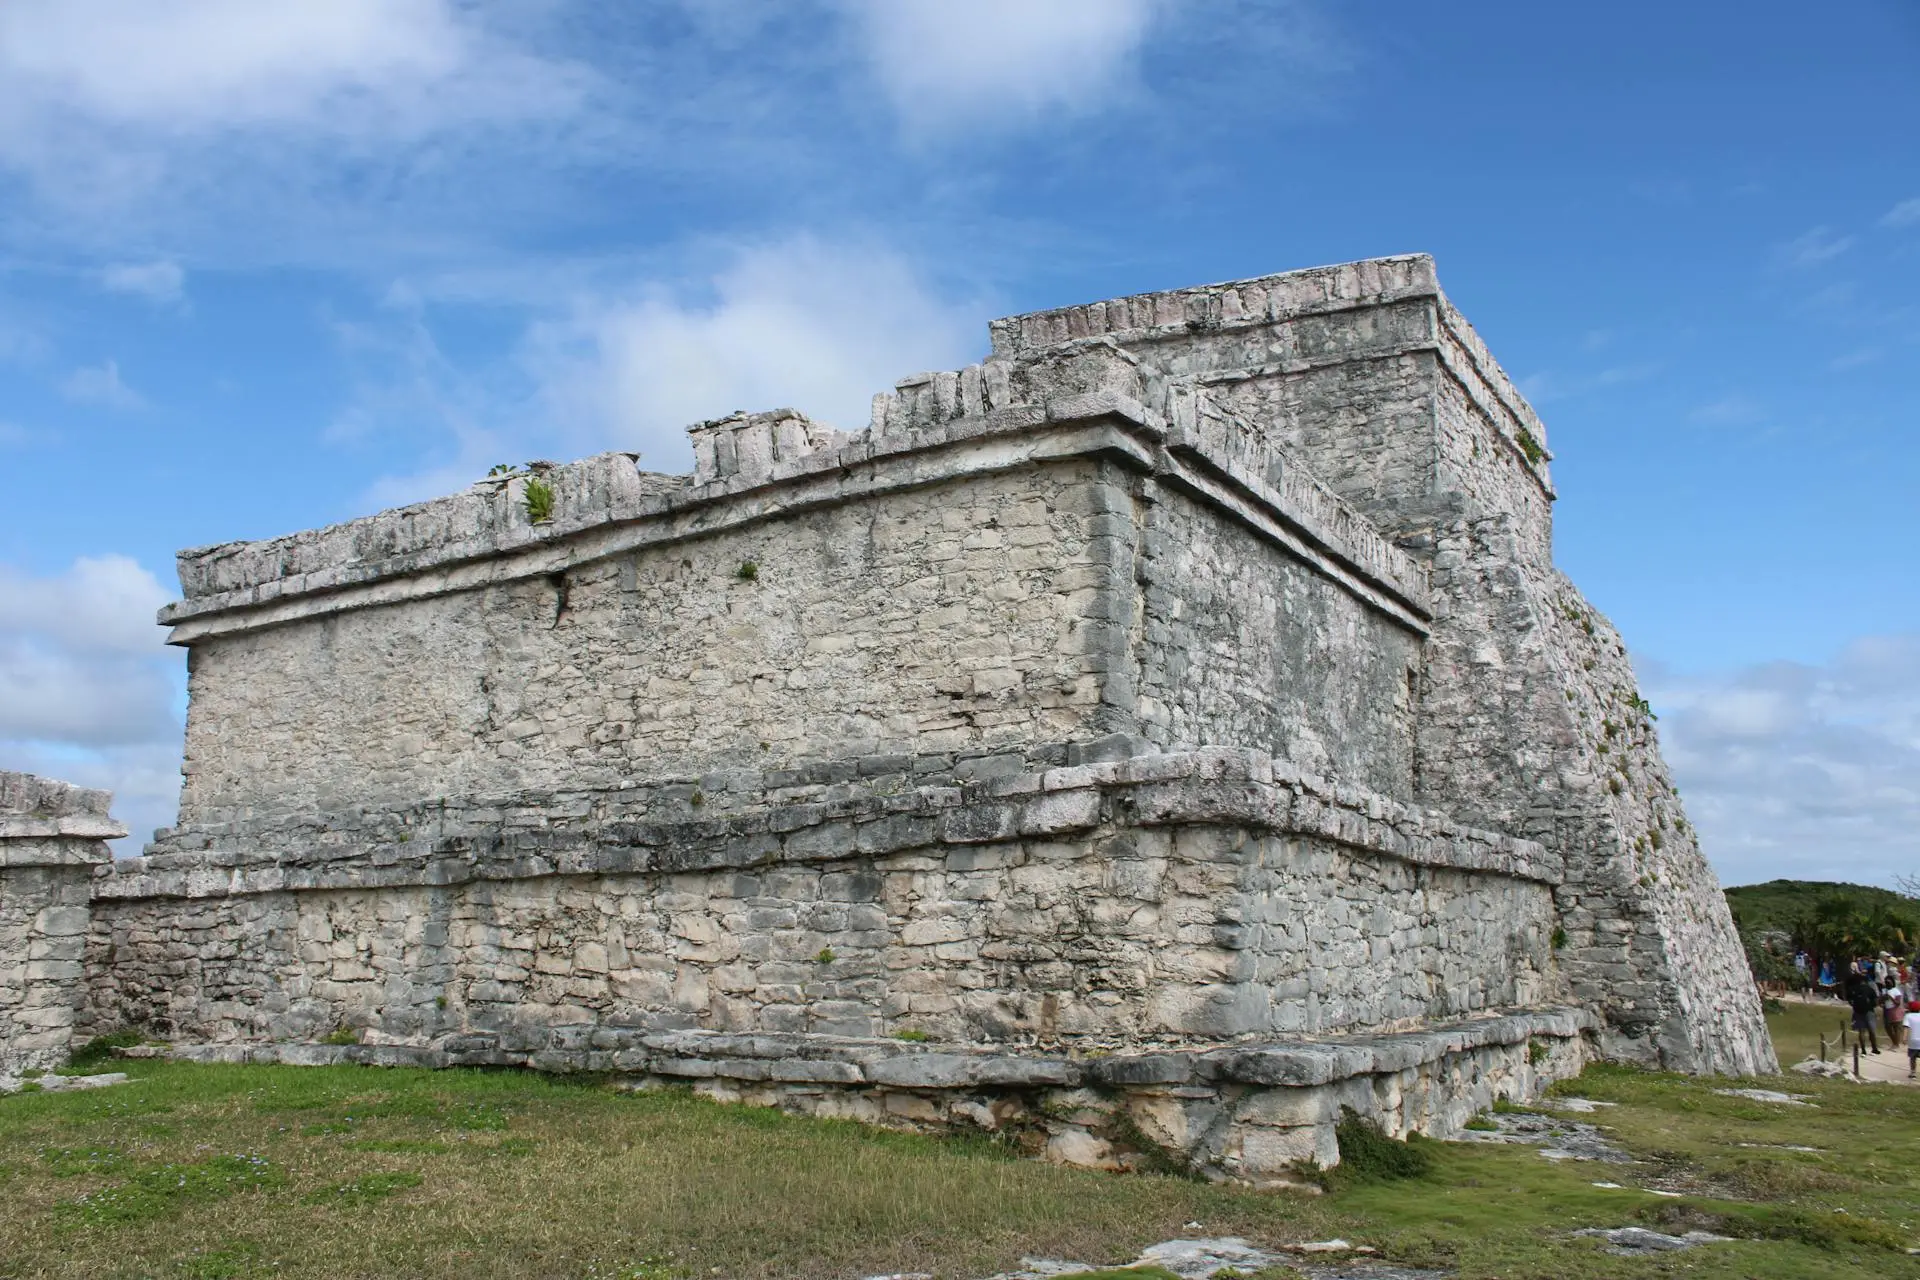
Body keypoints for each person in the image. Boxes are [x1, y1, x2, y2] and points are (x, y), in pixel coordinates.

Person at [1847, 966, 1882, 1054]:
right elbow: (1876, 1002)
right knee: (1872, 1031)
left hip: (1857, 1011)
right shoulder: (1870, 989)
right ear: (1866, 981)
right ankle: (1874, 1048)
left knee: (1861, 1031)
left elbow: (1849, 1000)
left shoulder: (1853, 989)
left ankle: (1863, 1050)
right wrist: (1872, 1006)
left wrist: (1854, 1006)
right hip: (1869, 1011)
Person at [1884, 975, 1908, 1049]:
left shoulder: (1896, 991)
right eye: (1886, 982)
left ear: (1892, 982)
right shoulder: (1884, 990)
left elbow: (1898, 1003)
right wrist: (1883, 998)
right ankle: (1894, 1042)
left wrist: (1890, 998)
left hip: (1895, 1010)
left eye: (1889, 982)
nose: (1887, 983)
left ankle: (1896, 1044)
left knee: (1896, 1028)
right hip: (1887, 1010)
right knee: (1887, 1027)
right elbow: (1879, 1001)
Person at [1907, 1001, 1920, 1080]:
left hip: (1913, 1042)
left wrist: (1904, 1038)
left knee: (1913, 1058)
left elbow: (1906, 1027)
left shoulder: (1908, 1016)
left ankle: (1913, 1072)